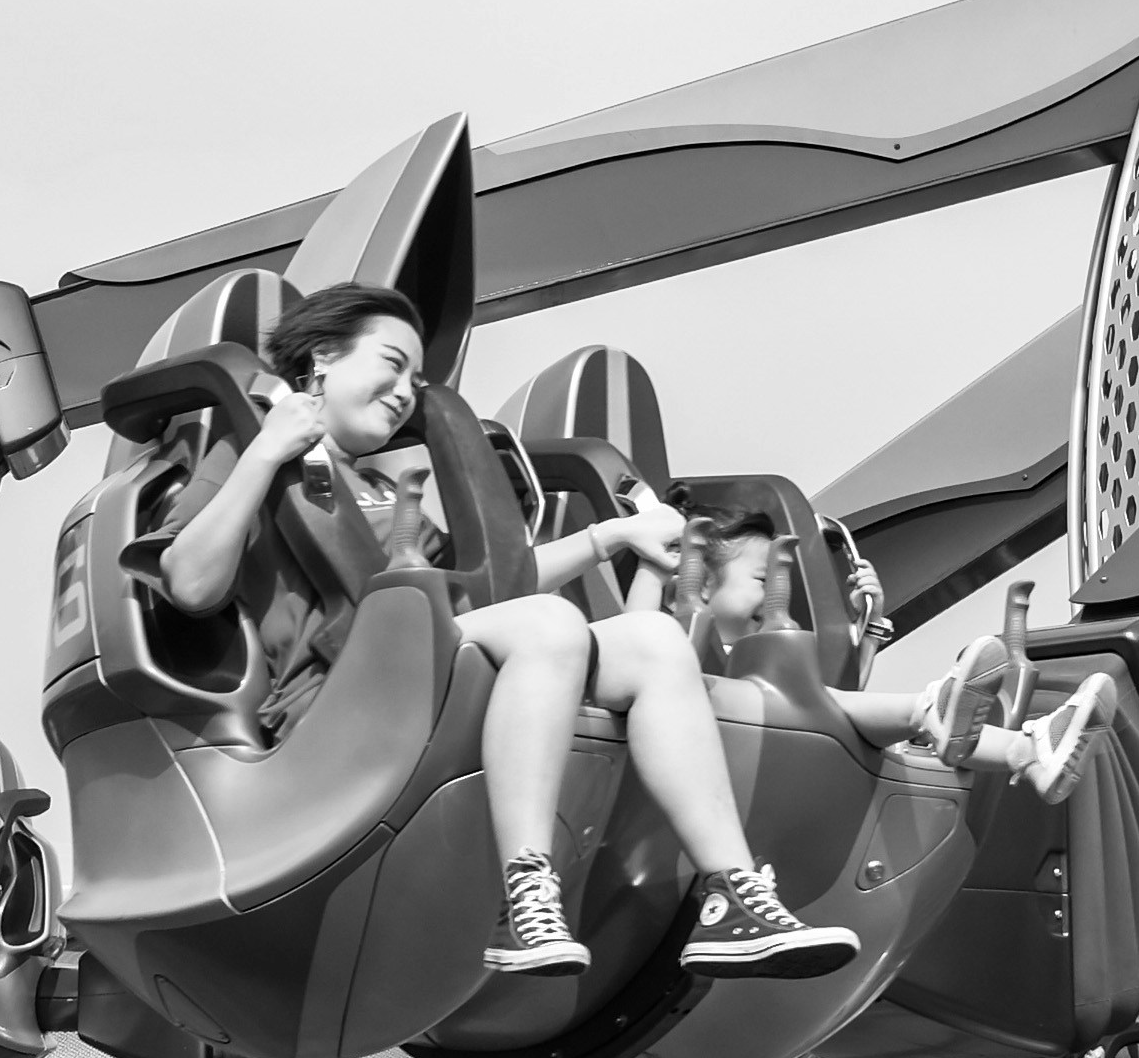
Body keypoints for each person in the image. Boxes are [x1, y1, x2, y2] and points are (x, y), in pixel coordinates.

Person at [158, 282, 861, 983]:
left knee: (651, 639)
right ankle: (524, 893)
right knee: (552, 623)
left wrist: (612, 533)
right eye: (391, 362)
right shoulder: (248, 449)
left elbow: (488, 593)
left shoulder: (373, 489)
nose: (407, 390)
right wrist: (261, 454)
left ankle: (730, 893)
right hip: (334, 710)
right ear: (320, 360)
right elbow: (189, 582)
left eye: (416, 378)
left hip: (425, 675)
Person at [685, 504, 1116, 797]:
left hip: (791, 754)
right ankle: (959, 721)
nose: (775, 594)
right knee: (913, 714)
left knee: (896, 721)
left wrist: (866, 628)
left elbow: (837, 698)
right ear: (702, 583)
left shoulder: (749, 653)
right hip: (750, 771)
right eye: (764, 580)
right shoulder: (680, 652)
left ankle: (1023, 750)